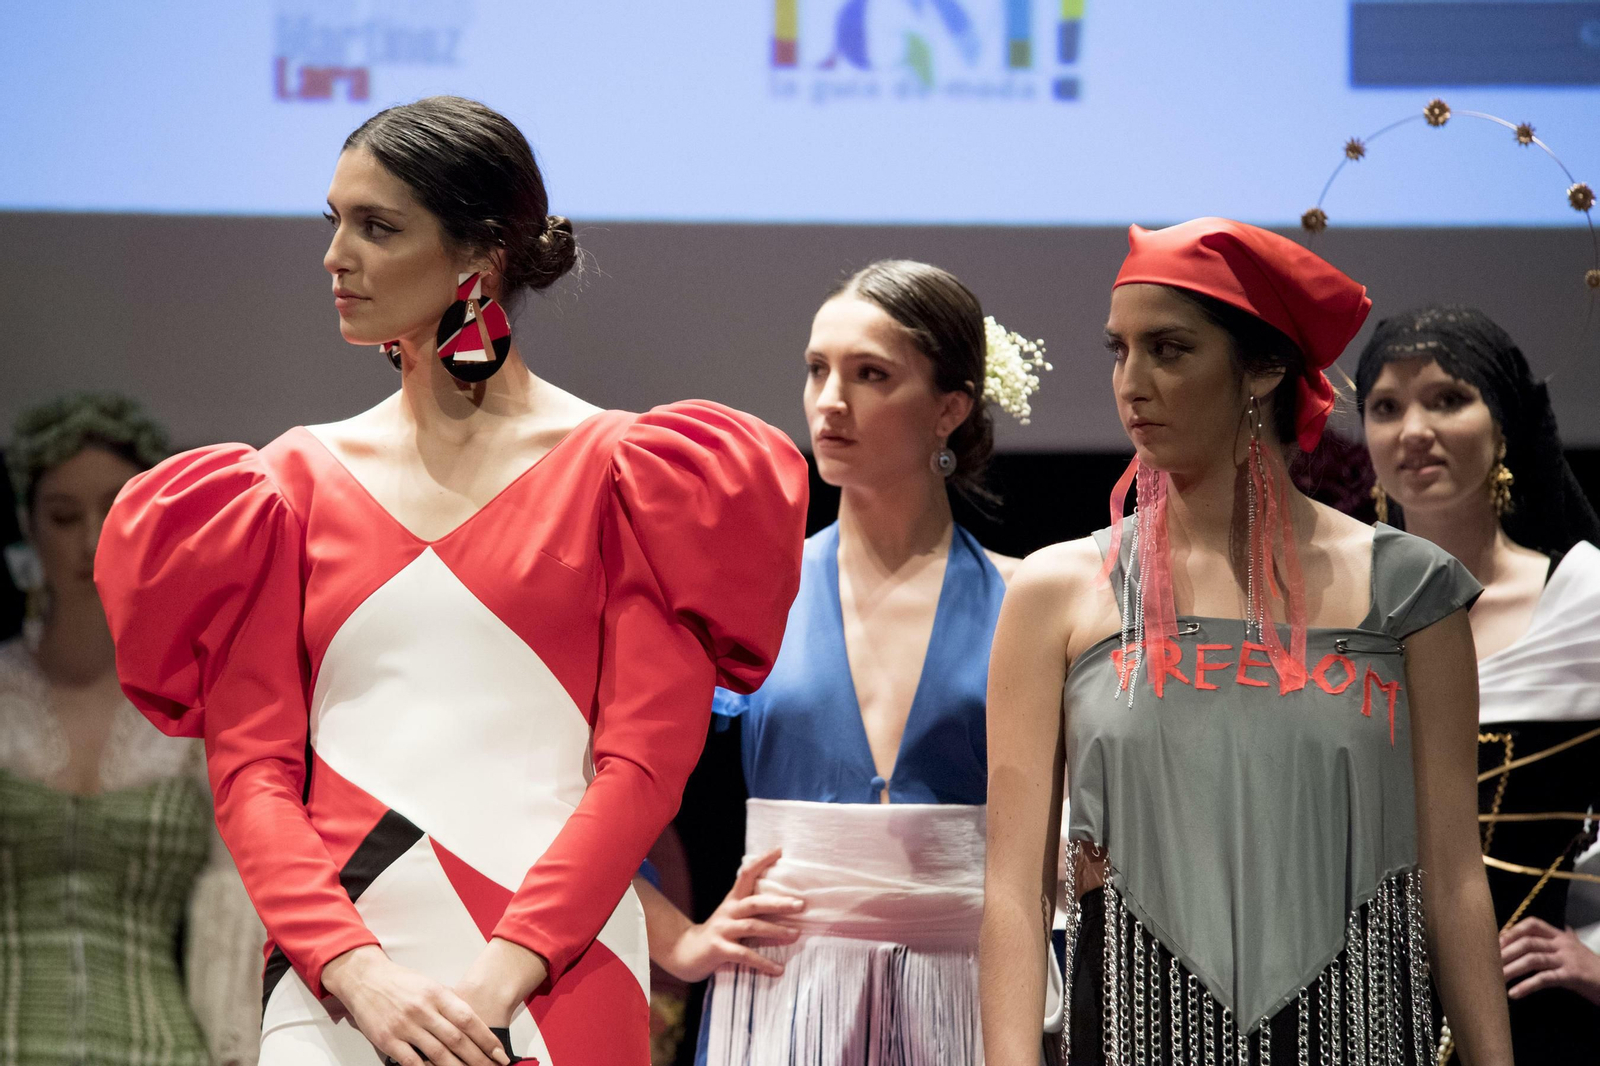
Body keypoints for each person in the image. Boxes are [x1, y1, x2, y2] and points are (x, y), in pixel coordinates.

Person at [93, 96, 809, 1066]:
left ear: (480, 253)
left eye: (377, 226)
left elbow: (641, 765)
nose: (335, 255)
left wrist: (501, 980)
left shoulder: (632, 478)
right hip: (340, 983)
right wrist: (358, 971)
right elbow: (253, 774)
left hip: (557, 972)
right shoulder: (279, 489)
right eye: (333, 221)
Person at [980, 218, 1514, 1066]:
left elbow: (1453, 876)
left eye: (1169, 349)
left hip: (1358, 1030)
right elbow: (1012, 889)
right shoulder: (1056, 592)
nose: (1132, 383)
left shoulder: (1411, 591)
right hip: (1131, 1029)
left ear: (1264, 368)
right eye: (1118, 351)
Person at [638, 260, 1049, 1065]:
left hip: (974, 993)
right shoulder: (749, 595)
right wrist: (679, 941)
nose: (830, 401)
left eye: (870, 375)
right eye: (817, 369)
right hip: (785, 992)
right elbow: (594, 780)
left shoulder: (1028, 598)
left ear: (950, 408)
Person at [1357, 304, 1600, 1061]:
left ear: (1505, 426)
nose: (1413, 430)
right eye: (1386, 407)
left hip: (1539, 1023)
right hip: (1361, 1015)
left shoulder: (1585, 600)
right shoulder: (1327, 618)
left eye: (1448, 399)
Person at [1, 393, 264, 1066]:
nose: (90, 541)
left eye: (113, 512)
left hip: (161, 1047)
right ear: (28, 525)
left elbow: (230, 900)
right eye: (64, 516)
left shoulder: (192, 708)